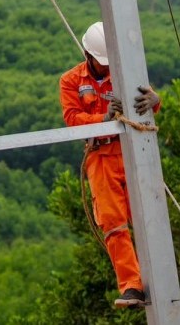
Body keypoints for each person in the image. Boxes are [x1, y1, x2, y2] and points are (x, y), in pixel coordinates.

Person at [59, 21, 161, 309]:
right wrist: (102, 120)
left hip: (130, 153)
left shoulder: (124, 73)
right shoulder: (71, 81)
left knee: (146, 216)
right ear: (88, 54)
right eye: (101, 63)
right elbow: (72, 119)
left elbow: (147, 101)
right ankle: (132, 286)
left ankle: (159, 275)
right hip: (101, 157)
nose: (106, 68)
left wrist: (156, 100)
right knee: (114, 223)